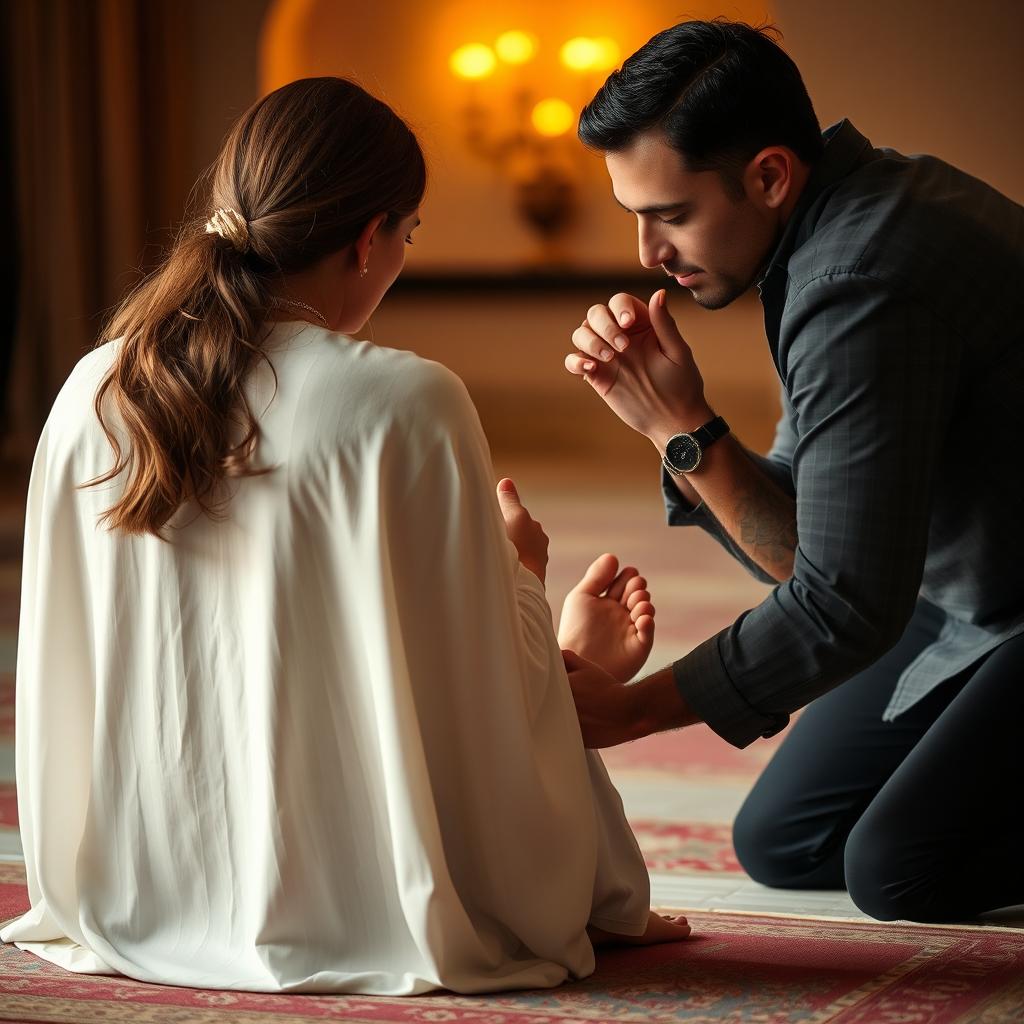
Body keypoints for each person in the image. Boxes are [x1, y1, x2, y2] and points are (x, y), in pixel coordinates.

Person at [0, 77, 690, 995]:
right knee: (528, 681)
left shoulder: (93, 388)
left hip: (130, 892)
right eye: (409, 236)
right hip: (351, 906)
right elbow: (467, 728)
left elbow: (66, 671)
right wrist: (526, 586)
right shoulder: (405, 400)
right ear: (371, 237)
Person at [561, 19, 1024, 924]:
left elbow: (846, 602)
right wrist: (678, 430)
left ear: (769, 176)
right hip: (965, 589)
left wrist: (629, 712)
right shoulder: (830, 234)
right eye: (637, 218)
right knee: (788, 841)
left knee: (900, 870)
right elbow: (813, 554)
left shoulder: (862, 273)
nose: (649, 254)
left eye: (672, 214)